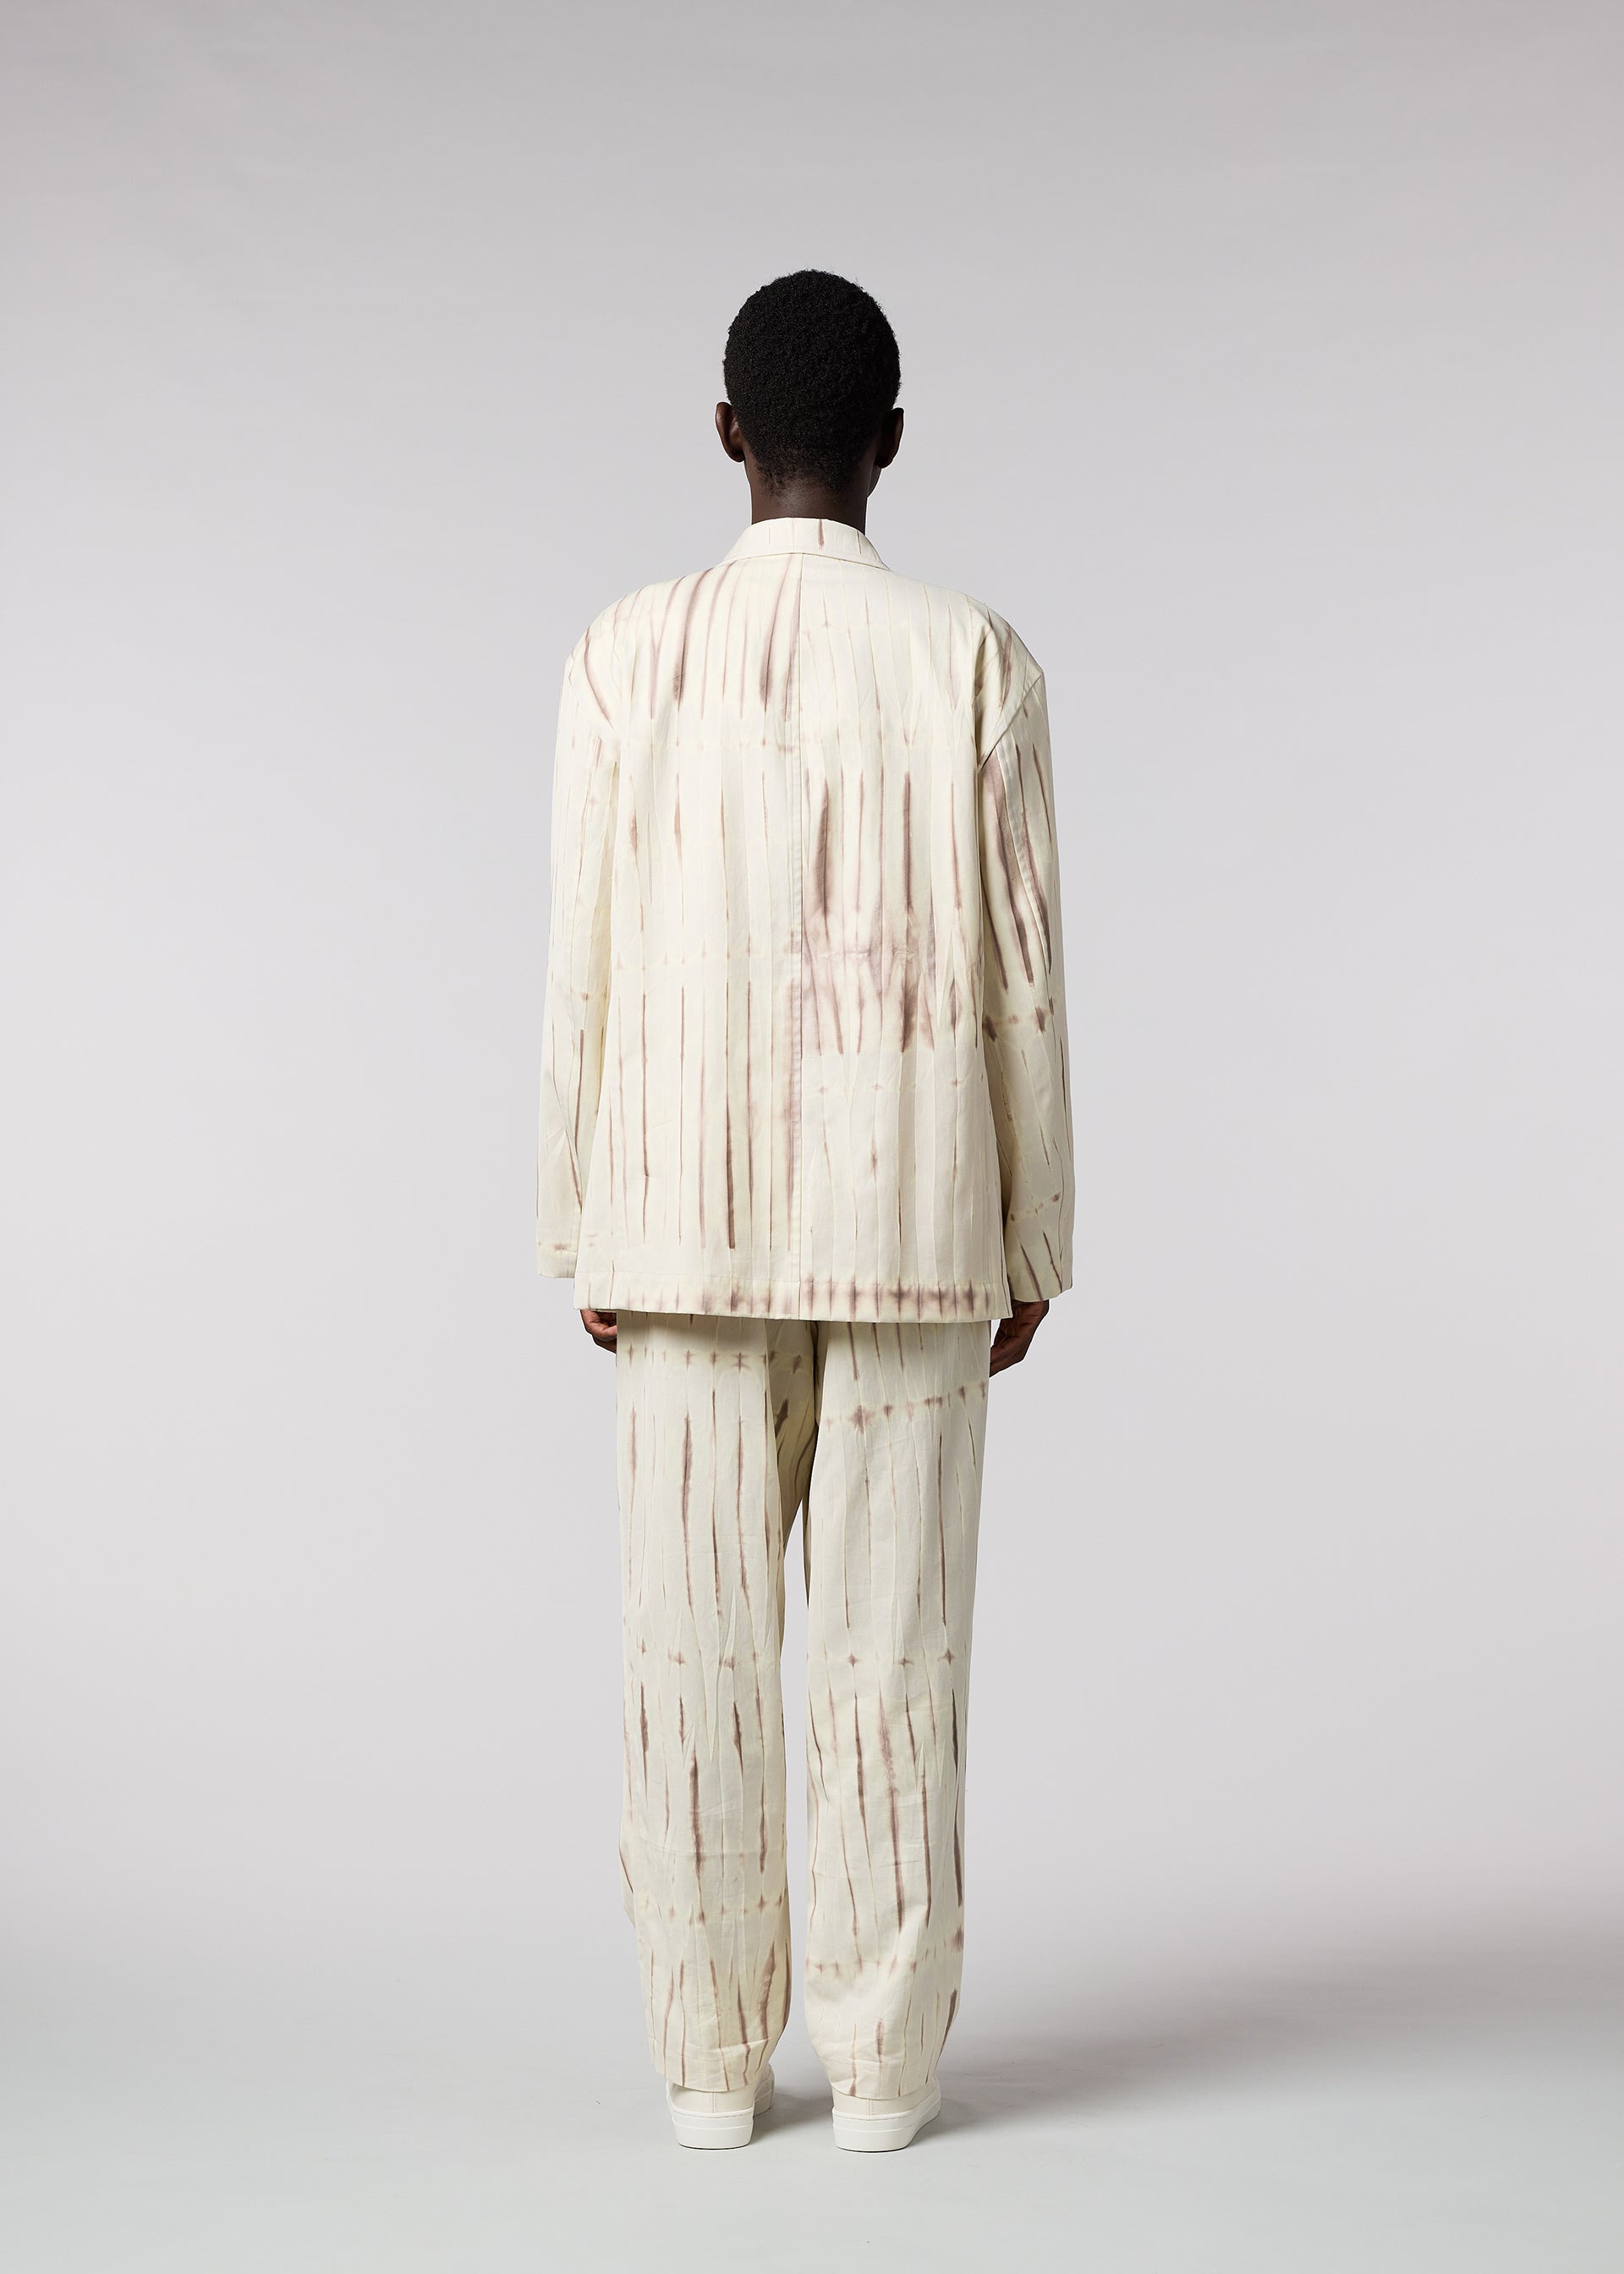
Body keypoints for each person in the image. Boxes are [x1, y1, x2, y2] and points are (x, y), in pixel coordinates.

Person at [537, 269, 1073, 2152]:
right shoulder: (974, 658)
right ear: (892, 444)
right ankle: (884, 2073)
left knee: (688, 1652)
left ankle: (708, 2068)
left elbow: (584, 959)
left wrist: (578, 1219)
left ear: (727, 434)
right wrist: (1034, 1239)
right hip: (918, 1216)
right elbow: (1024, 982)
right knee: (892, 1651)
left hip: (677, 1219)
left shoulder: (622, 654)